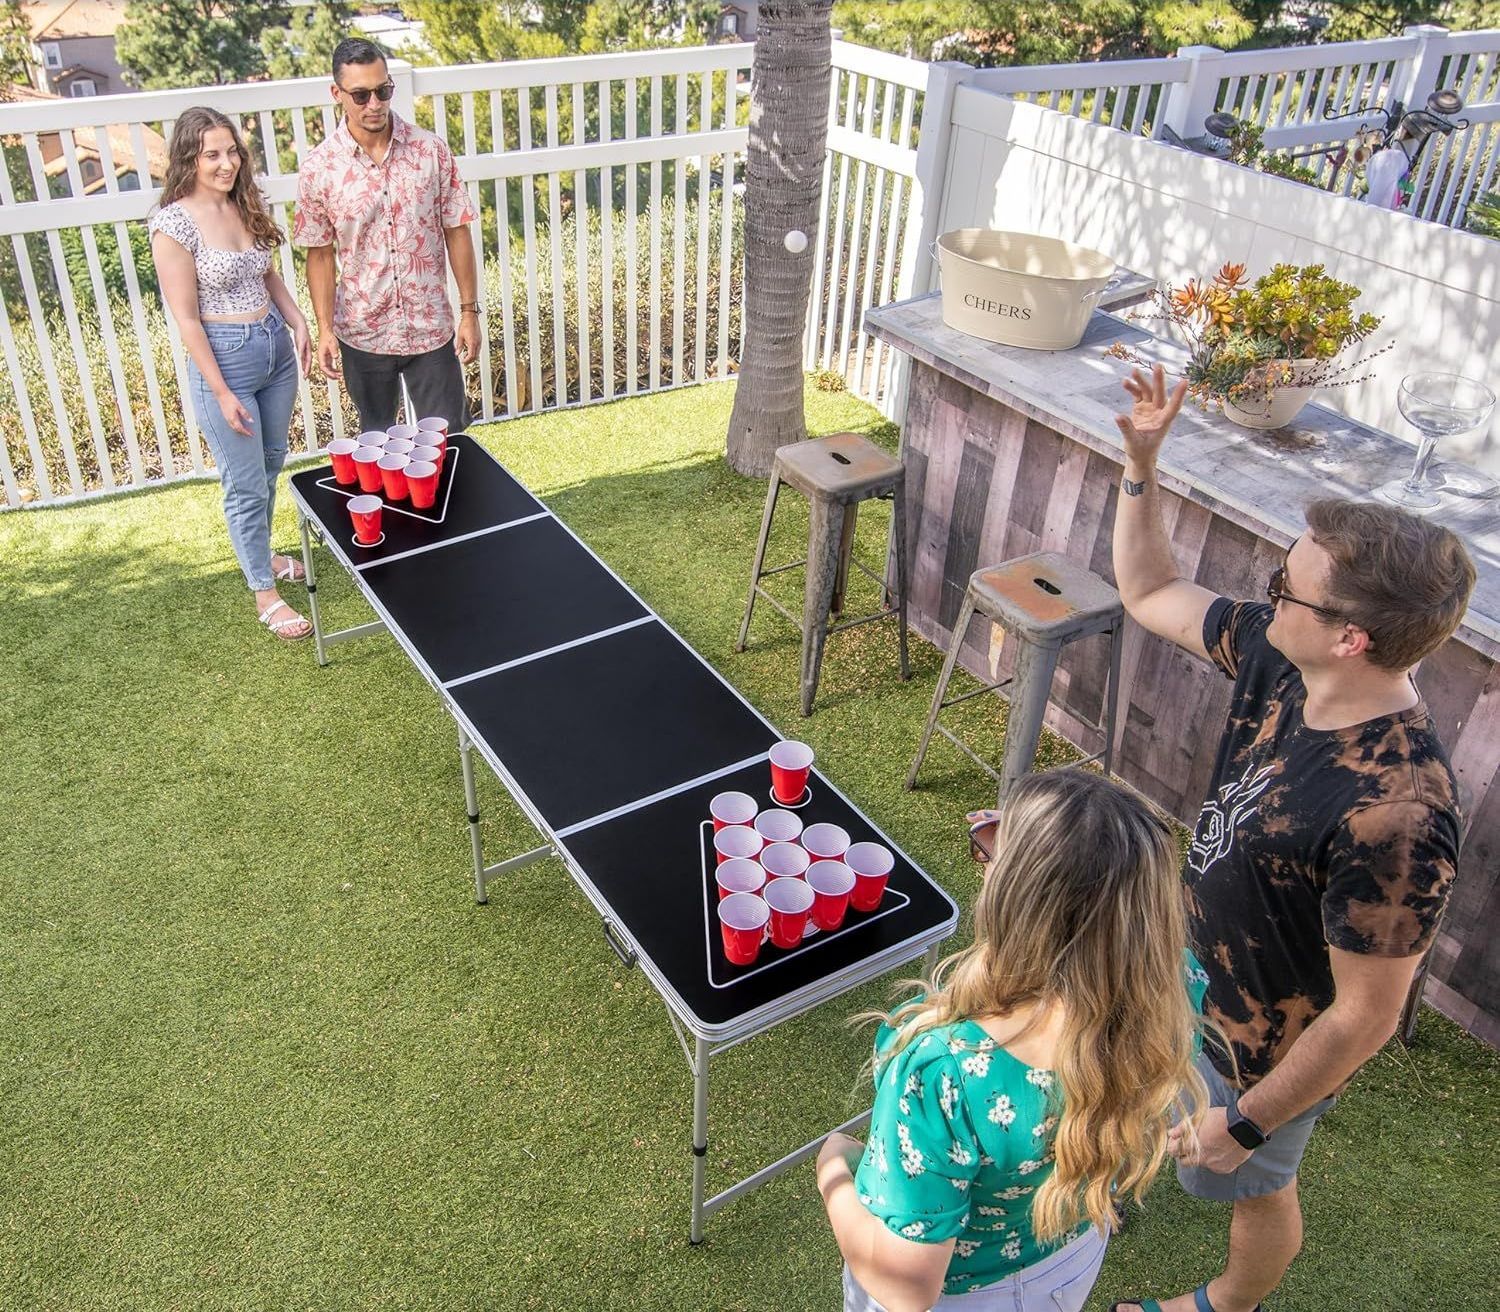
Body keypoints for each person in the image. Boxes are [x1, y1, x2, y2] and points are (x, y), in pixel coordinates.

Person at [1107, 365, 1474, 1312]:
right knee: (1138, 1092)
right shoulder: (1281, 652)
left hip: (1263, 1056)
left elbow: (1364, 1017)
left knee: (1244, 1185)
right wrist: (1141, 465)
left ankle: (1229, 1302)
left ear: (1351, 637)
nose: (1267, 598)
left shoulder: (1398, 813)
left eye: (1286, 586)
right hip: (1185, 975)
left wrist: (1254, 1124)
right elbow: (1151, 592)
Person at [817, 768, 1211, 1312]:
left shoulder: (944, 1070)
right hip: (1067, 1259)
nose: (985, 846)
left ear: (1020, 897)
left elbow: (905, 1286)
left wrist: (833, 1171)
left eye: (998, 849)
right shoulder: (1177, 986)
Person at [150, 106, 315, 641]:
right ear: (189, 158)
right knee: (243, 483)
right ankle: (265, 593)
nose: (226, 163)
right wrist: (220, 392)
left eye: (232, 151)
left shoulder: (244, 202)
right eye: (212, 154)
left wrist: (299, 323)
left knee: (268, 466)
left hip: (273, 350)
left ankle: (261, 553)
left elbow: (268, 275)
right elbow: (187, 319)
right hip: (225, 358)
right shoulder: (174, 222)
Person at [294, 37, 480, 433]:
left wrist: (469, 312)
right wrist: (325, 329)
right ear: (337, 94)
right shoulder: (319, 169)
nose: (374, 104)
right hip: (363, 334)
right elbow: (320, 255)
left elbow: (457, 231)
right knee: (376, 446)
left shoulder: (431, 151)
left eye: (383, 91)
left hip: (430, 328)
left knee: (450, 443)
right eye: (360, 95)